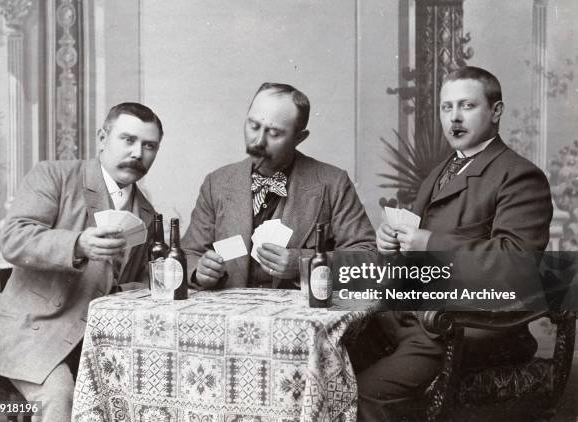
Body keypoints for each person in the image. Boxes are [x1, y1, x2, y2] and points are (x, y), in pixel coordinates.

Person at [358, 66, 553, 420]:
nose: (454, 118)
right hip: (414, 318)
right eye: (447, 108)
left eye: (467, 106)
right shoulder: (443, 170)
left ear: (496, 112)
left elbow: (515, 265)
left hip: (472, 328)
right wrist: (392, 245)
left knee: (371, 394)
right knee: (332, 366)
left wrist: (429, 241)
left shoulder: (518, 176)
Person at [0, 102, 164, 421]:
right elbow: (14, 238)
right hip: (33, 333)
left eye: (149, 146)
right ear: (103, 138)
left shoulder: (145, 213)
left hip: (95, 342)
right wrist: (77, 244)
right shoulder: (54, 176)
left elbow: (128, 283)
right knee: (59, 396)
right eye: (128, 140)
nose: (137, 153)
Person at [182, 82, 376, 289]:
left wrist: (303, 264)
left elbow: (368, 257)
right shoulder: (217, 183)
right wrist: (198, 271)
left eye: (274, 133)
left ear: (299, 138)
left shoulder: (333, 183)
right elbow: (188, 254)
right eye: (253, 126)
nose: (257, 142)